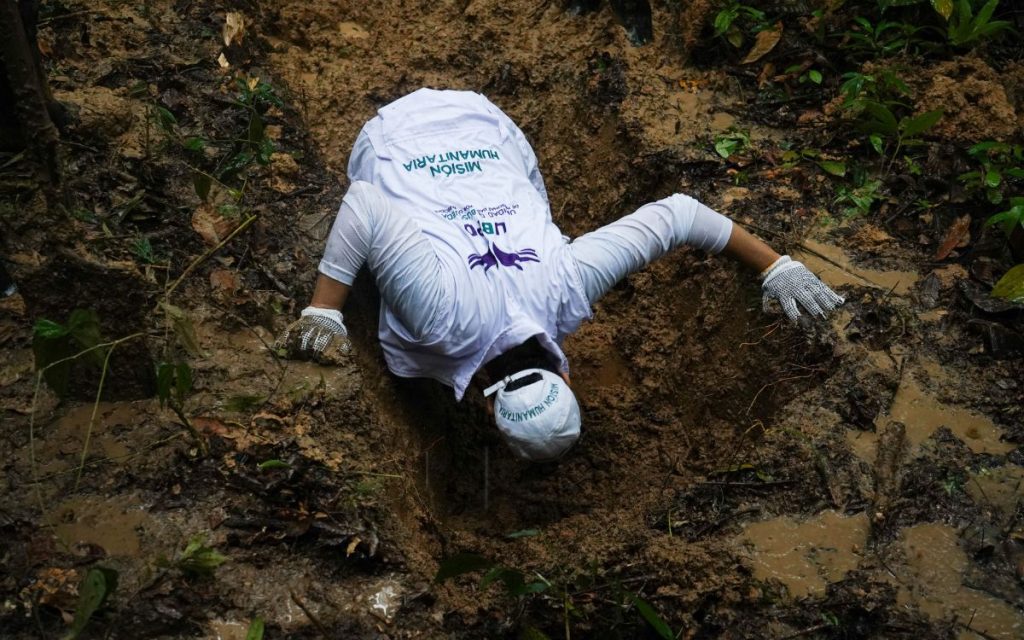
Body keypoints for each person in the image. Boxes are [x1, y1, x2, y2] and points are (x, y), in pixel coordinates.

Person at [275, 89, 843, 462]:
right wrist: (323, 312)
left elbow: (680, 214)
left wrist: (777, 265)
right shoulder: (438, 319)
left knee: (537, 222)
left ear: (566, 380)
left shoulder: (569, 282)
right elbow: (364, 203)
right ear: (489, 408)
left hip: (486, 124)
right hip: (395, 137)